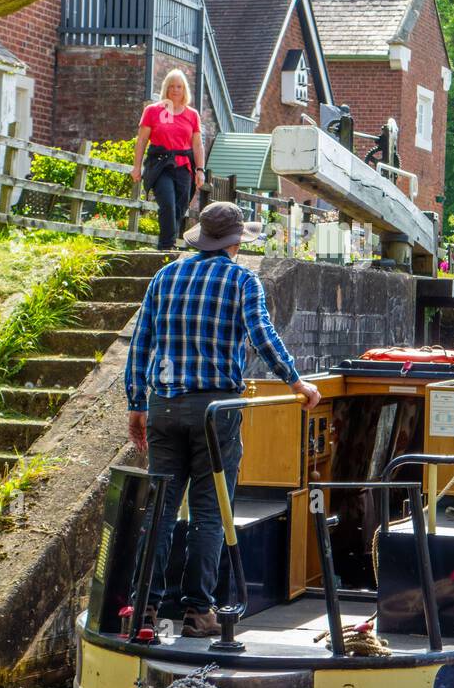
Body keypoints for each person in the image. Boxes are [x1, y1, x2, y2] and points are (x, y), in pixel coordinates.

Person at [125, 200, 322, 638]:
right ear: (234, 243)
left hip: (164, 407)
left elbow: (141, 344)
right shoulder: (241, 281)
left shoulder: (165, 276)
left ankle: (144, 611)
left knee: (159, 509)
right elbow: (261, 335)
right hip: (216, 412)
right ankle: (199, 612)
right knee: (210, 514)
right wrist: (297, 384)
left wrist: (136, 404)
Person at [132, 69, 205, 251]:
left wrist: (200, 170)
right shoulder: (152, 111)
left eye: (179, 86)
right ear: (166, 88)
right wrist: (136, 167)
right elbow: (141, 141)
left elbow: (197, 145)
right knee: (168, 205)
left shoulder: (192, 115)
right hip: (160, 164)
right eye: (171, 86)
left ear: (184, 90)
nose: (175, 90)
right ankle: (167, 248)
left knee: (179, 209)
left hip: (184, 167)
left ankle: (165, 244)